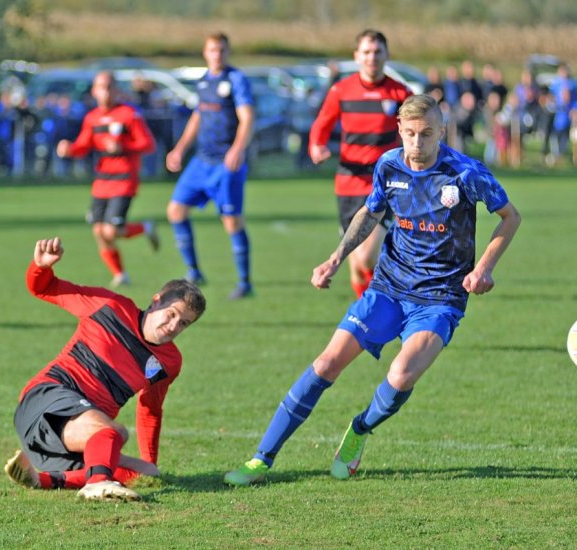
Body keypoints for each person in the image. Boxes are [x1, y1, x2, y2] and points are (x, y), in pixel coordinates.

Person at [224, 94, 521, 486]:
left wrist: (483, 269)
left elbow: (509, 216)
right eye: (411, 133)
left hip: (440, 297)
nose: (417, 143)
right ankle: (261, 459)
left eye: (427, 134)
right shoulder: (388, 165)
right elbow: (371, 211)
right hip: (389, 286)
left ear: (442, 132)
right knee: (327, 363)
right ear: (399, 130)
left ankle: (360, 428)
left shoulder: (465, 172)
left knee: (400, 376)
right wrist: (335, 257)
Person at [5, 237, 206, 501]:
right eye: (171, 314)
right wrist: (41, 267)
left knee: (144, 472)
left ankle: (42, 479)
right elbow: (44, 288)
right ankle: (98, 482)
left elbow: (150, 410)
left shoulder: (168, 361)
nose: (173, 326)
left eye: (183, 324)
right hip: (45, 402)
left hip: (64, 442)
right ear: (156, 301)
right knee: (114, 433)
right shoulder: (109, 306)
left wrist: (148, 463)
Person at [308, 29, 413, 298]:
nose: (372, 57)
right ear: (356, 56)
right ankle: (370, 320)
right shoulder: (341, 90)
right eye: (366, 52)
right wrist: (316, 145)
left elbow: (418, 127)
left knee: (366, 256)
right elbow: (321, 124)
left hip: (386, 182)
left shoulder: (400, 92)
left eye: (377, 51)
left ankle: (387, 299)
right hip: (348, 182)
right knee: (355, 263)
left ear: (387, 55)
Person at [165, 32, 255, 300]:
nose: (217, 54)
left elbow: (247, 117)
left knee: (231, 221)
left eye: (222, 50)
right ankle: (193, 270)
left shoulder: (236, 80)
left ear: (228, 52)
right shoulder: (204, 81)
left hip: (226, 163)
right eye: (213, 50)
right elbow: (197, 116)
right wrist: (180, 148)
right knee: (175, 211)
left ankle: (245, 282)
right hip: (201, 161)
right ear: (205, 52)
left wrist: (238, 148)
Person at [57, 71, 159, 287]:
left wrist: (124, 146)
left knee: (111, 230)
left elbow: (148, 144)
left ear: (116, 90)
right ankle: (121, 274)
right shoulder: (92, 118)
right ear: (94, 91)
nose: (105, 91)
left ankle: (145, 228)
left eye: (109, 86)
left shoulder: (129, 114)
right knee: (98, 231)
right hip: (102, 181)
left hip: (124, 179)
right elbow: (83, 146)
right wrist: (70, 149)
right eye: (101, 87)